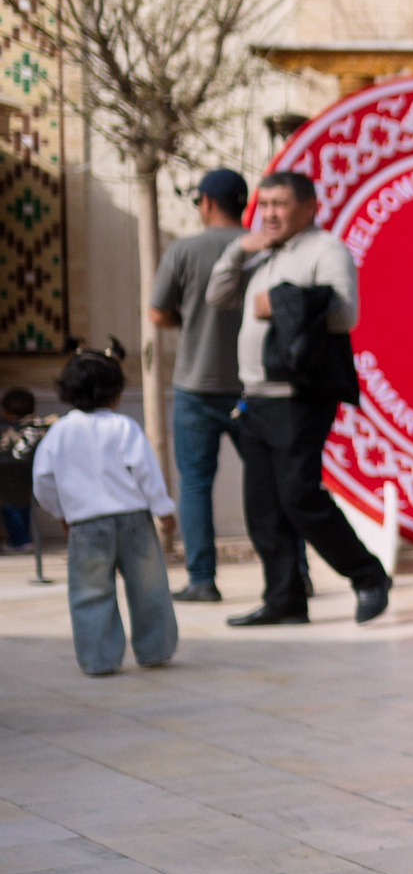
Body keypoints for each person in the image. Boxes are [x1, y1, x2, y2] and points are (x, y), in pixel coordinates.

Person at [207, 169, 392, 629]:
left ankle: (368, 576)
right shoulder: (264, 252)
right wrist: (237, 249)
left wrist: (280, 300)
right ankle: (284, 598)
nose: (269, 214)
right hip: (255, 398)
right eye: (263, 205)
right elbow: (217, 296)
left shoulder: (325, 249)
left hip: (299, 396)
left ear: (308, 207)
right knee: (263, 506)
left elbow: (345, 314)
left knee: (299, 496)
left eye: (280, 205)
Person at [34, 349, 177, 676]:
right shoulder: (123, 426)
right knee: (149, 588)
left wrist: (62, 512)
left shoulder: (59, 432)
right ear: (115, 392)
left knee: (90, 592)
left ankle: (99, 659)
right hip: (134, 521)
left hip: (85, 525)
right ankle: (156, 650)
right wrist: (163, 509)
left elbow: (42, 480)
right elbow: (146, 472)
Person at [146, 169, 249, 602]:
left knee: (195, 483)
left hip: (196, 382)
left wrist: (187, 322)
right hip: (253, 387)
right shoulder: (262, 248)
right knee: (274, 479)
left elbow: (157, 313)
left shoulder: (184, 250)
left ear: (206, 202)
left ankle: (202, 579)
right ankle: (294, 572)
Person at [1, 386, 39, 553]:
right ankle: (24, 538)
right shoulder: (34, 427)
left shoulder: (4, 428)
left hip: (6, 477)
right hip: (27, 476)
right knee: (24, 508)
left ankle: (20, 540)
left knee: (10, 510)